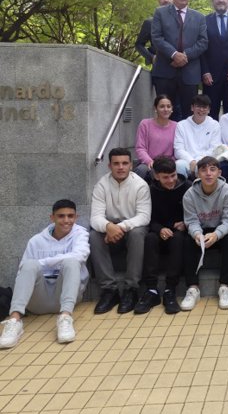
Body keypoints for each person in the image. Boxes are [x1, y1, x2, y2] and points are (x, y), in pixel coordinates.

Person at [0, 200, 89, 348]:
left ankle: (65, 318)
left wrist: (42, 262)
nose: (66, 220)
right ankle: (14, 321)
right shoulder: (36, 241)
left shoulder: (80, 234)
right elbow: (23, 270)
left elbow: (80, 256)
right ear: (52, 218)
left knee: (72, 262)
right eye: (61, 216)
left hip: (66, 298)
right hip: (37, 301)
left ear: (76, 217)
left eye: (70, 216)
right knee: (28, 264)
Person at [89, 148, 152, 314]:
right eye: (116, 163)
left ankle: (131, 289)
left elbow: (144, 217)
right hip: (110, 229)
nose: (121, 167)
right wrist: (108, 227)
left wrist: (121, 227)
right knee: (94, 236)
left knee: (138, 233)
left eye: (125, 163)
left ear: (131, 165)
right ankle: (109, 290)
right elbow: (95, 218)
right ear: (109, 165)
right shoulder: (101, 185)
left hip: (132, 228)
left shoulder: (141, 185)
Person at [180, 156, 228, 311]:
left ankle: (224, 287)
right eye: (203, 170)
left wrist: (216, 235)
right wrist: (197, 234)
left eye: (212, 169)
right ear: (197, 174)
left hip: (220, 229)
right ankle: (193, 288)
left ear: (219, 172)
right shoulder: (189, 194)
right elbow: (191, 221)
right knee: (187, 240)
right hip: (201, 230)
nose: (208, 173)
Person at [136, 156, 190, 315]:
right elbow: (147, 217)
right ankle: (151, 290)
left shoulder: (186, 187)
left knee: (179, 239)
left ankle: (170, 289)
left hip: (180, 231)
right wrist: (160, 229)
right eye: (165, 177)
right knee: (150, 239)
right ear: (156, 176)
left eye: (173, 175)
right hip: (158, 230)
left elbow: (195, 213)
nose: (171, 180)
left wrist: (185, 223)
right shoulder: (150, 190)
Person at [151, 0, 208, 120]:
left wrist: (185, 56)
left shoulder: (199, 17)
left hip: (190, 74)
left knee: (189, 115)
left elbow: (203, 42)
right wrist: (174, 54)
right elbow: (156, 38)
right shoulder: (160, 13)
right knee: (164, 112)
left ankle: (186, 143)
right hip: (165, 71)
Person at [173, 94, 222, 178]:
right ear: (192, 108)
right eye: (198, 106)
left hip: (207, 161)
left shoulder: (215, 125)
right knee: (179, 166)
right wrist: (191, 161)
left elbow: (214, 148)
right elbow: (178, 149)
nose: (201, 110)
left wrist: (199, 162)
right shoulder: (181, 125)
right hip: (187, 161)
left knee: (210, 168)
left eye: (204, 107)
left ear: (209, 110)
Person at [134, 94, 177, 182]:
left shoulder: (177, 126)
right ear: (155, 108)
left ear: (172, 108)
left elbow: (178, 149)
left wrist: (169, 163)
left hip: (169, 163)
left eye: (168, 106)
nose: (165, 109)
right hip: (149, 162)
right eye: (162, 106)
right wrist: (149, 161)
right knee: (141, 170)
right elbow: (140, 148)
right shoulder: (145, 124)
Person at [135, 0, 173, 66]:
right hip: (160, 68)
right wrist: (151, 57)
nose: (166, 0)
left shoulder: (182, 21)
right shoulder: (149, 23)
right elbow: (138, 45)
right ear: (158, 0)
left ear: (173, 0)